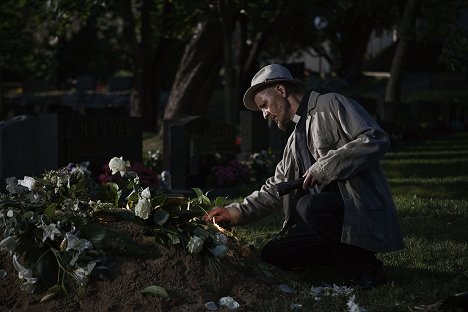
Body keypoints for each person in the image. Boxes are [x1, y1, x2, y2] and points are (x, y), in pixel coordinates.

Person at [204, 64, 404, 287]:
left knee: (309, 206)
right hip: (323, 217)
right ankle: (341, 257)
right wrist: (234, 212)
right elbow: (276, 188)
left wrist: (325, 167)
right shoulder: (294, 141)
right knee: (273, 253)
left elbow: (375, 138)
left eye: (264, 105)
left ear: (280, 90)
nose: (264, 114)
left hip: (356, 211)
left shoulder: (331, 104)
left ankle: (365, 267)